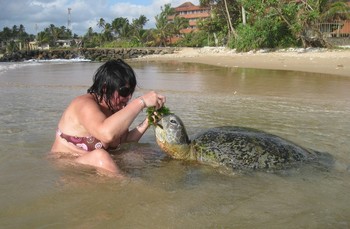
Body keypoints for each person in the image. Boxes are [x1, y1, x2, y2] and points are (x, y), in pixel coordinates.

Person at [51, 59, 166, 177]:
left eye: (131, 92)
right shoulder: (84, 104)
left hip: (98, 163)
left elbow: (125, 140)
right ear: (106, 88)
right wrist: (141, 102)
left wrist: (148, 121)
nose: (128, 97)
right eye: (124, 91)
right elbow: (106, 134)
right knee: (100, 156)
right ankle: (131, 190)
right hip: (69, 166)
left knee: (151, 153)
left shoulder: (114, 108)